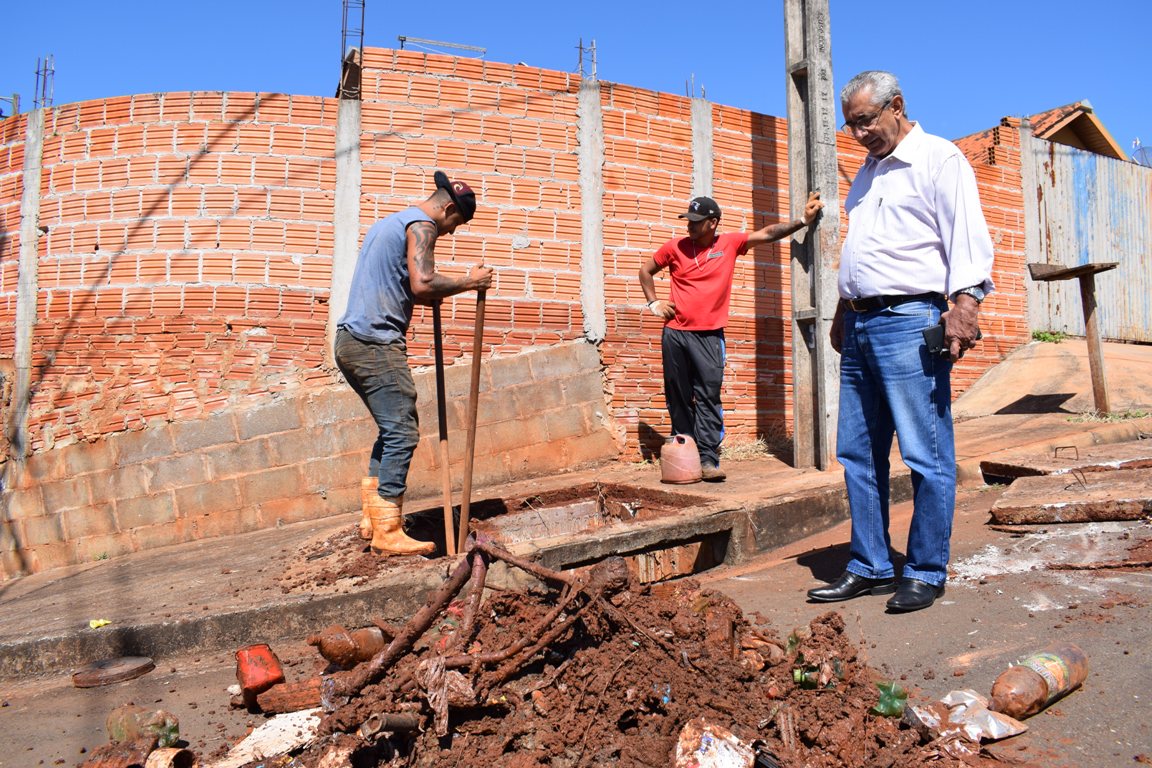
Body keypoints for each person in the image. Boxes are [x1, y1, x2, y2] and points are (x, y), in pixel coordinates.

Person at [806, 70, 994, 612]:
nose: (859, 134)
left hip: (910, 321)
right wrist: (843, 311)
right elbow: (862, 252)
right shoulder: (866, 175)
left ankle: (926, 570)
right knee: (858, 453)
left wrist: (965, 305)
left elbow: (967, 237)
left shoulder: (939, 159)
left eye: (866, 120)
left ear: (897, 105)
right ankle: (870, 565)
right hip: (861, 324)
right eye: (851, 126)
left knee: (924, 453)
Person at [335, 170, 493, 557]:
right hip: (375, 343)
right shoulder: (422, 226)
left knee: (390, 430)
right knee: (403, 434)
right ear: (449, 209)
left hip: (350, 341)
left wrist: (440, 288)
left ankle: (373, 519)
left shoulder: (391, 223)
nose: (451, 232)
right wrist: (470, 282)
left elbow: (412, 287)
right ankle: (388, 530)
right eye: (457, 224)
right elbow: (423, 282)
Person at [639, 191, 823, 481]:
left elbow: (767, 234)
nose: (689, 225)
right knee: (678, 395)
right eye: (688, 220)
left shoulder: (728, 244)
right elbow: (645, 271)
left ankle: (708, 458)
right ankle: (685, 455)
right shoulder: (675, 247)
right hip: (675, 333)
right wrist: (654, 303)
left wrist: (802, 220)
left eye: (696, 221)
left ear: (712, 223)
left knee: (708, 395)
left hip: (709, 336)